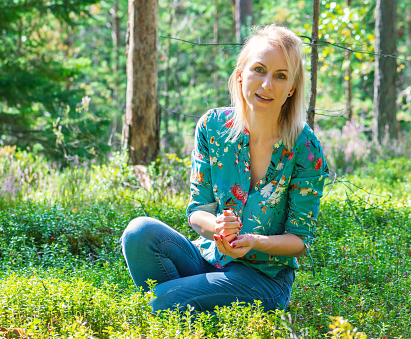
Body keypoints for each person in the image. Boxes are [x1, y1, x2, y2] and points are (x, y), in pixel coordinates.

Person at [121, 24, 329, 313]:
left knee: (158, 301)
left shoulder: (305, 148)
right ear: (241, 73)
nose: (267, 84)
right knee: (138, 232)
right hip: (208, 258)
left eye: (280, 76)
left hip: (262, 278)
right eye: (259, 69)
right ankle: (185, 307)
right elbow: (197, 212)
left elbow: (299, 241)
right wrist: (217, 227)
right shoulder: (212, 127)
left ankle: (175, 304)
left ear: (292, 88)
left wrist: (254, 241)